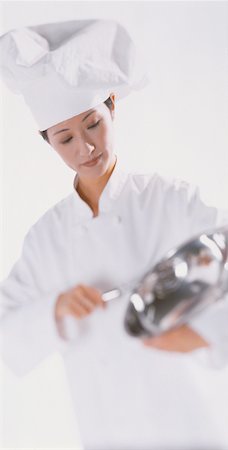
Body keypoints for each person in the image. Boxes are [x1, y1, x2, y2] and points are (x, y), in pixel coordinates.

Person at [0, 19, 228, 450]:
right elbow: (6, 327)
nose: (85, 148)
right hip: (104, 425)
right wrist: (55, 308)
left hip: (186, 417)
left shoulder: (169, 199)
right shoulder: (47, 238)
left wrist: (209, 333)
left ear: (113, 106)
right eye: (65, 138)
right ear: (46, 142)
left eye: (92, 124)